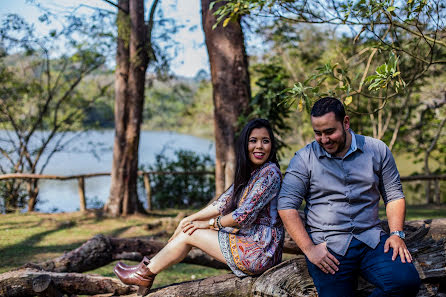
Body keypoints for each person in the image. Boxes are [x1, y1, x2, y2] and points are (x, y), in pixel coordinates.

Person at [114, 118, 284, 295]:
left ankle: (145, 274)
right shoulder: (251, 173)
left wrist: (208, 224)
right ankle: (145, 273)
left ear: (271, 145)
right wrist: (189, 219)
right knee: (188, 227)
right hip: (250, 242)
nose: (259, 146)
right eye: (253, 141)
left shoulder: (269, 172)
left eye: (265, 141)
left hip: (260, 252)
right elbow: (222, 203)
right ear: (244, 144)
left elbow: (242, 215)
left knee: (192, 232)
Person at [278, 97, 421, 297]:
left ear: (346, 123)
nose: (324, 139)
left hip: (371, 240)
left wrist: (396, 234)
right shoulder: (304, 158)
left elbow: (394, 195)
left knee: (406, 282)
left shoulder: (377, 149)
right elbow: (286, 206)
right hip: (328, 248)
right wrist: (310, 249)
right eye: (318, 133)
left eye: (329, 131)